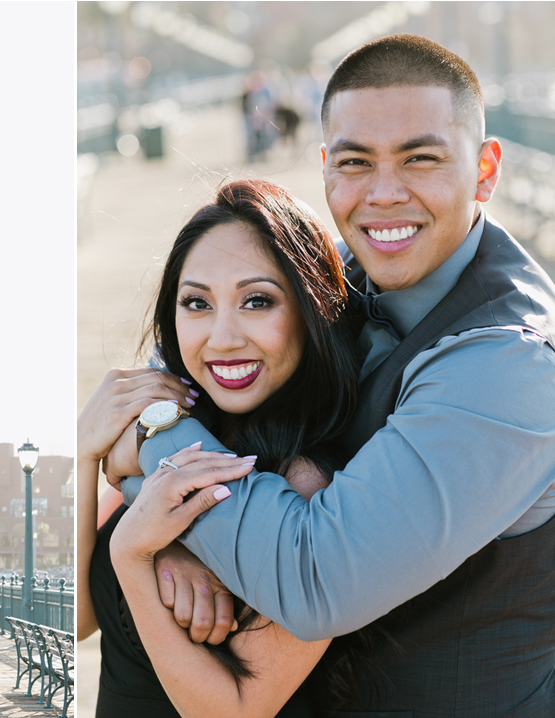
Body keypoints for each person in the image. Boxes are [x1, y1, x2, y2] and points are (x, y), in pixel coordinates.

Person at [112, 34, 555, 715]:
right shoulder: (342, 271)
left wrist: (153, 447)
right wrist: (170, 538)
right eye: (354, 163)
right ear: (324, 169)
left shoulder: (511, 366)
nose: (383, 195)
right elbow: (181, 359)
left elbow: (312, 579)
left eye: (421, 158)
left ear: (486, 170)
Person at [79, 178, 362, 717]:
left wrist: (135, 555)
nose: (223, 337)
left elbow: (234, 710)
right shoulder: (168, 432)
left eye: (257, 301)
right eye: (197, 303)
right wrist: (84, 453)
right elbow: (77, 619)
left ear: (312, 310)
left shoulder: (311, 490)